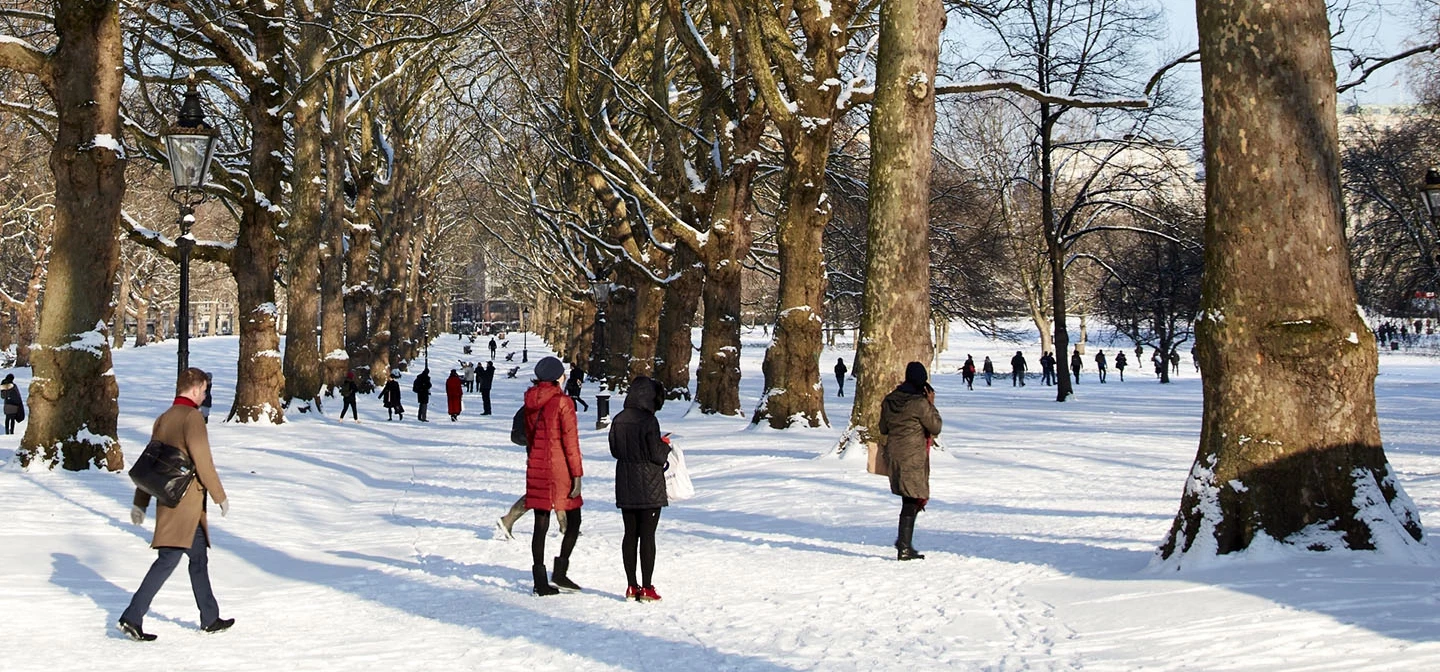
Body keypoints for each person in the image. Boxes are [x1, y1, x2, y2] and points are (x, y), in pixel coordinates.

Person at [119, 367, 232, 641]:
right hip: (186, 503)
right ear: (194, 390)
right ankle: (132, 616)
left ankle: (210, 617)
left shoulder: (163, 418)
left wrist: (140, 502)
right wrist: (220, 496)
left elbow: (151, 464)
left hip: (169, 500)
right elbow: (204, 462)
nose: (205, 395)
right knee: (168, 559)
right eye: (204, 390)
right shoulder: (192, 418)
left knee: (198, 558)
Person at [518, 356, 584, 596]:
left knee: (541, 524)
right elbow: (570, 442)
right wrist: (577, 474)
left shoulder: (530, 401)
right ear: (557, 377)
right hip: (560, 469)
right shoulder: (563, 402)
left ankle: (539, 579)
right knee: (574, 521)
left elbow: (529, 436)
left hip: (536, 464)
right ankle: (560, 570)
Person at [609, 376, 670, 602]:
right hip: (649, 484)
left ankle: (630, 585)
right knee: (647, 536)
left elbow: (615, 450)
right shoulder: (649, 421)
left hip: (625, 481)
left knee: (629, 534)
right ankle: (647, 586)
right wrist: (665, 448)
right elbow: (655, 454)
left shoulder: (619, 419)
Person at [879, 362, 942, 561]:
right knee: (912, 498)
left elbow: (883, 428)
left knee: (910, 497)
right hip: (912, 455)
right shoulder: (919, 403)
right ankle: (904, 547)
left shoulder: (890, 399)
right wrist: (931, 404)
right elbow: (936, 426)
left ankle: (904, 543)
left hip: (894, 454)